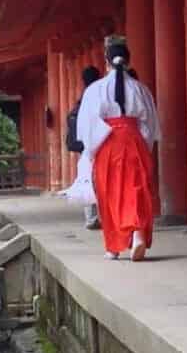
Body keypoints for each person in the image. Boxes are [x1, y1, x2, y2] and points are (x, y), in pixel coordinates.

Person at [66, 35, 162, 260]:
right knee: (137, 189)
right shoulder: (140, 89)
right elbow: (149, 124)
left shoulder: (95, 90)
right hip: (135, 140)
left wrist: (91, 152)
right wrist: (143, 145)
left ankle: (114, 246)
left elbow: (88, 126)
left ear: (106, 63)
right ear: (129, 62)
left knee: (109, 193)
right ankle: (137, 235)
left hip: (107, 144)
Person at [66, 61, 101, 227]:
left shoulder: (83, 97)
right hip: (101, 141)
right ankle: (98, 216)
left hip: (87, 144)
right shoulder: (99, 93)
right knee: (100, 179)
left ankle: (91, 216)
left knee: (88, 178)